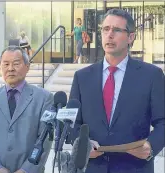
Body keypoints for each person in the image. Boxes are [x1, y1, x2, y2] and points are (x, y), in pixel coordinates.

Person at [69, 8, 165, 173]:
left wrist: (150, 147)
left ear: (131, 37)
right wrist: (82, 143)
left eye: (116, 30)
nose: (109, 34)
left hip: (134, 167)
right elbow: (72, 124)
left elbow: (162, 122)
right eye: (106, 29)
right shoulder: (82, 77)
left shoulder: (152, 75)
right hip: (93, 168)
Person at [0, 46, 54, 173]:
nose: (10, 68)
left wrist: (26, 170)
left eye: (16, 64)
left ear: (27, 67)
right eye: (6, 64)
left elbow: (45, 140)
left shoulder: (44, 98)